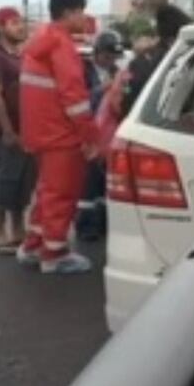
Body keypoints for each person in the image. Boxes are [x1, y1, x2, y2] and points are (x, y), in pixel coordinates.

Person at [16, 0, 101, 274]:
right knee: (61, 195)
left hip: (40, 133)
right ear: (69, 13)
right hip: (62, 135)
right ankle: (54, 254)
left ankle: (34, 245)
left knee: (45, 192)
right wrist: (90, 135)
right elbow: (75, 98)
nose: (84, 17)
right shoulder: (61, 45)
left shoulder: (40, 39)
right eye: (81, 11)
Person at [0, 6, 34, 254]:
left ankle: (18, 229)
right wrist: (8, 130)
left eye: (21, 21)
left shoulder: (22, 56)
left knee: (23, 183)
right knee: (4, 182)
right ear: (0, 27)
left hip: (28, 130)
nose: (21, 26)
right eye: (14, 22)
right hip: (7, 132)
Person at [75, 30, 124, 242]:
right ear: (97, 53)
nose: (110, 60)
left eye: (114, 57)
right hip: (87, 131)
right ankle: (85, 225)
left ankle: (103, 223)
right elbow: (76, 99)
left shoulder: (116, 70)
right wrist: (99, 90)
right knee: (88, 184)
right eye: (107, 56)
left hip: (109, 135)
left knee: (105, 183)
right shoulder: (82, 70)